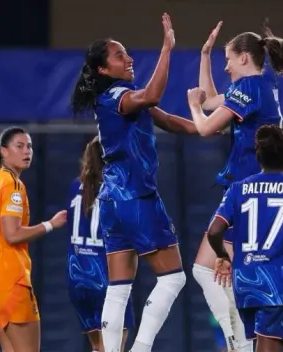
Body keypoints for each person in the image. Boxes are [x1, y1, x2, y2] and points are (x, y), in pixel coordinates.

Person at [70, 13, 199, 352]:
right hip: (135, 196)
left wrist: (208, 125)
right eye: (119, 55)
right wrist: (167, 50)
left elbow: (168, 120)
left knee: (119, 286)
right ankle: (140, 348)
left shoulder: (121, 96)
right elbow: (153, 96)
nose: (128, 59)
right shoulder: (117, 97)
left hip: (112, 199)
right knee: (173, 278)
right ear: (102, 69)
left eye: (127, 53)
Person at [187, 21, 283, 352]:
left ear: (244, 58)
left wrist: (193, 107)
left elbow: (205, 124)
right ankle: (241, 339)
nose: (225, 66)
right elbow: (214, 99)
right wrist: (204, 55)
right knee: (215, 271)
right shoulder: (262, 85)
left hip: (244, 193)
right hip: (252, 193)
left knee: (207, 270)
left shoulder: (249, 88)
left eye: (227, 60)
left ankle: (239, 341)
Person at [207, 125, 283, 352]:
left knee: (266, 345)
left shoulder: (237, 189)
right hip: (278, 283)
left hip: (245, 281)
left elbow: (214, 231)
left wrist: (223, 255)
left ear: (258, 156)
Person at [0, 126, 67, 352]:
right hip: (13, 282)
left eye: (29, 146)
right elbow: (12, 233)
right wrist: (50, 225)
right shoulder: (12, 186)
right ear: (3, 151)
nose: (27, 151)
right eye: (19, 146)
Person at [67, 136, 135, 352]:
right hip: (106, 278)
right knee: (115, 347)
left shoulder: (75, 186)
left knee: (98, 348)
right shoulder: (116, 190)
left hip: (77, 278)